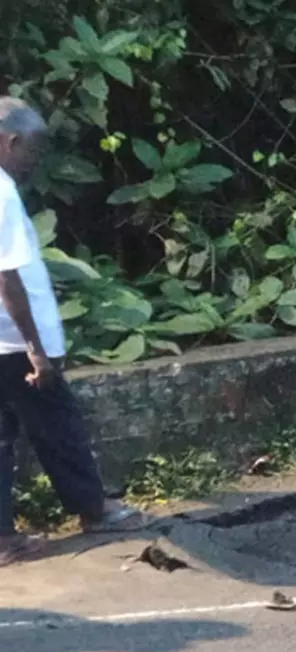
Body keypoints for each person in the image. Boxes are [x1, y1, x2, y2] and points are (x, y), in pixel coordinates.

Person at [0, 98, 146, 566]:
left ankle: (4, 539)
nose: (34, 162)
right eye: (32, 151)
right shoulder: (1, 192)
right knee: (58, 424)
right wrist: (36, 351)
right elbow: (6, 277)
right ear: (11, 142)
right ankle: (93, 508)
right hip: (12, 340)